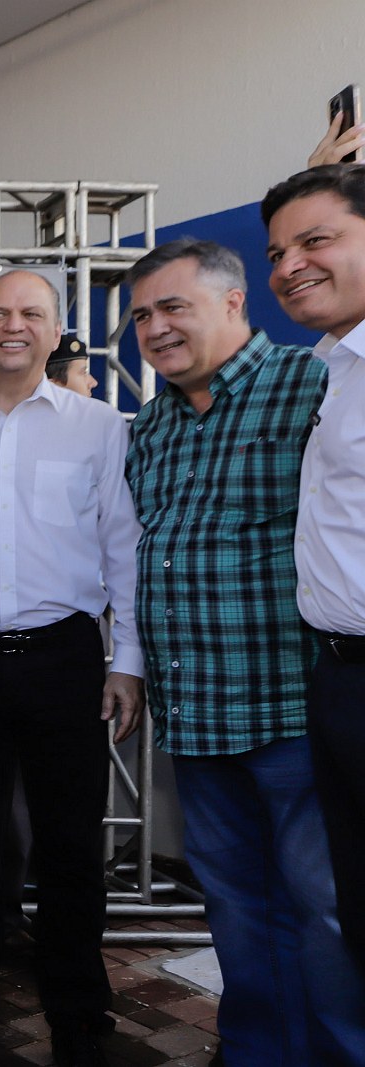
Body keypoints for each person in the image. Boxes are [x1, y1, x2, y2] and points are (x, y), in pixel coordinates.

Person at [124, 238, 365, 1065]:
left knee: (327, 910)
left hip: (296, 710)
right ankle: (258, 1051)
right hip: (194, 715)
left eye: (172, 306)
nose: (153, 328)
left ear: (235, 303)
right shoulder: (150, 424)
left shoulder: (315, 385)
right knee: (233, 908)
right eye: (141, 315)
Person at [0, 270, 143, 1066]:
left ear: (54, 331)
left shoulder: (100, 427)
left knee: (71, 842)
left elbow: (123, 549)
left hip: (65, 654)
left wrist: (128, 659)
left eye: (31, 314)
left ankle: (79, 1006)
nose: (14, 326)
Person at [264, 164, 365, 973]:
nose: (289, 264)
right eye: (276, 251)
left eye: (316, 241)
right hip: (337, 676)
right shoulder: (333, 368)